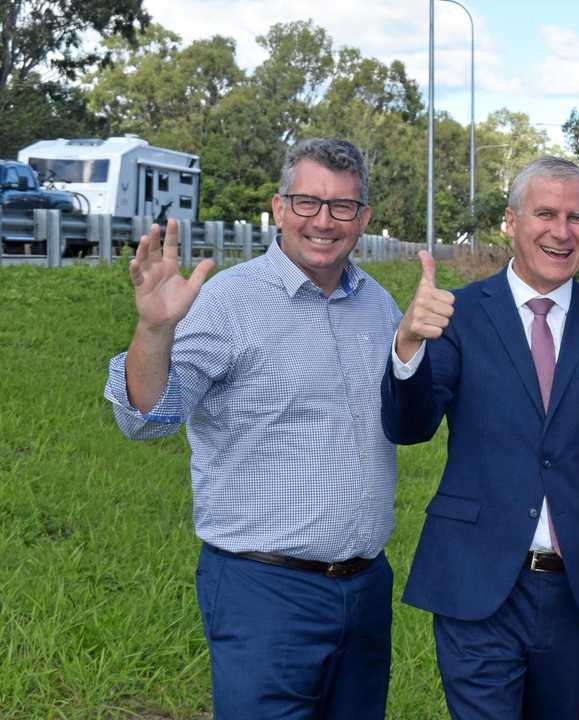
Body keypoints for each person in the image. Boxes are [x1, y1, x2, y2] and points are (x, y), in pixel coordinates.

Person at [103, 138, 402, 719]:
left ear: (363, 218)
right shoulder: (227, 301)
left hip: (365, 589)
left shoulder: (378, 305)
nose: (324, 220)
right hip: (263, 591)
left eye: (342, 206)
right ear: (280, 207)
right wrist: (154, 330)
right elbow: (146, 419)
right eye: (307, 202)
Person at [380, 156, 579, 719]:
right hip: (478, 582)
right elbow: (409, 425)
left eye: (577, 217)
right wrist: (407, 347)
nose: (562, 231)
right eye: (546, 213)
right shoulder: (459, 313)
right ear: (511, 221)